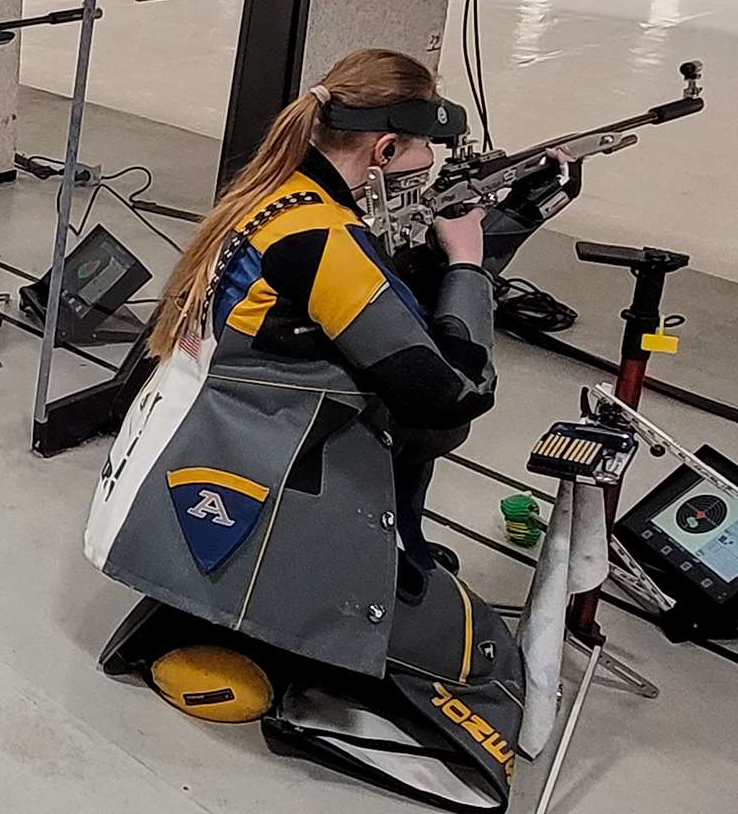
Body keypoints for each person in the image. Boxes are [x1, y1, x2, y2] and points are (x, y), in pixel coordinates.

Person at [83, 49, 527, 811]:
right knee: (477, 664)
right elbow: (445, 395)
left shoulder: (279, 194)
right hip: (270, 470)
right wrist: (470, 270)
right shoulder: (324, 239)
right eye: (422, 151)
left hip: (208, 447)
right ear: (384, 150)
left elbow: (359, 304)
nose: (428, 167)